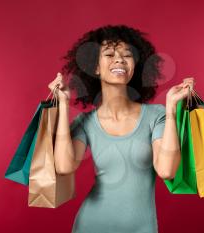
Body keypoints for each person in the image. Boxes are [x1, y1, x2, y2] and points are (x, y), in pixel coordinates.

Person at [48, 24, 195, 233]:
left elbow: (166, 170)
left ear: (134, 65)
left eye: (127, 55)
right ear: (95, 67)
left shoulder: (157, 116)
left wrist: (171, 109)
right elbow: (64, 166)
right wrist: (63, 106)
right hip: (91, 225)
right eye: (109, 54)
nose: (119, 59)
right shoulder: (86, 122)